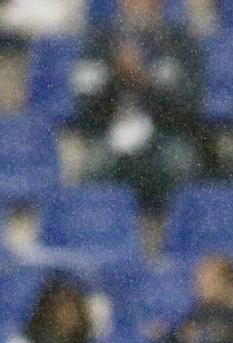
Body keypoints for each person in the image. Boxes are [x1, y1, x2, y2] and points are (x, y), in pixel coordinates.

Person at [71, 0, 205, 212]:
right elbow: (86, 105)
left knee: (180, 161)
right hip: (110, 133)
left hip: (164, 135)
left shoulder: (181, 41)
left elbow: (190, 106)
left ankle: (176, 237)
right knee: (93, 163)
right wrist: (116, 75)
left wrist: (144, 79)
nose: (140, 5)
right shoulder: (99, 41)